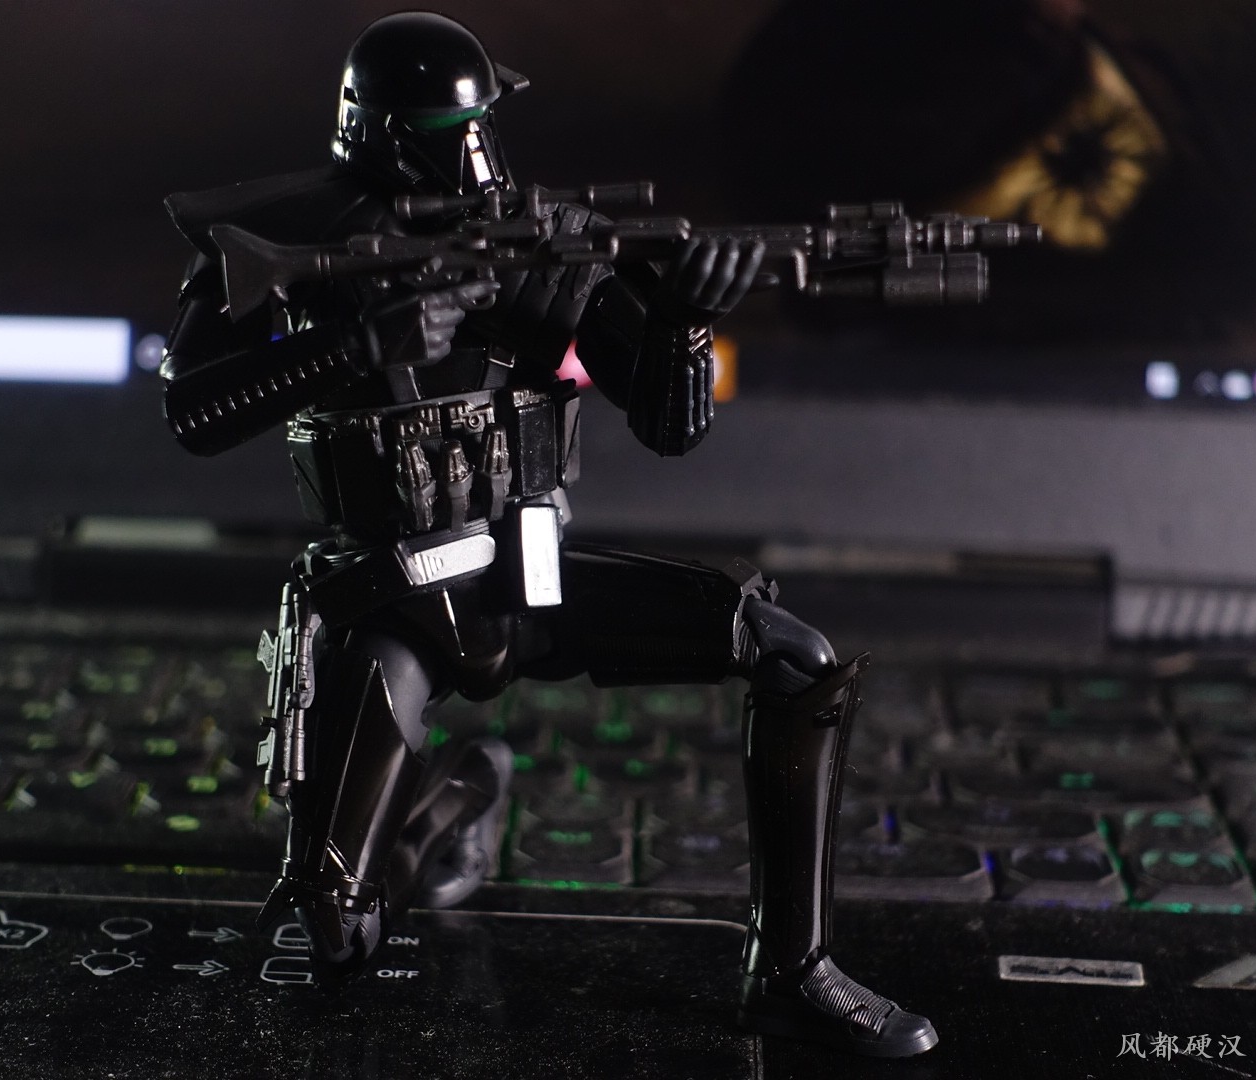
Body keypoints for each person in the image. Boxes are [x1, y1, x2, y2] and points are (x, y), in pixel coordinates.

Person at [159, 10, 937, 1058]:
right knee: (335, 935)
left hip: (530, 577)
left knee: (793, 656)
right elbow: (193, 413)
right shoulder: (289, 236)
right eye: (451, 133)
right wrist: (354, 345)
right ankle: (454, 795)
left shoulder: (543, 245)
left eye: (484, 127)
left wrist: (683, 323)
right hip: (389, 599)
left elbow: (669, 428)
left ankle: (794, 969)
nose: (477, 156)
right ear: (382, 133)